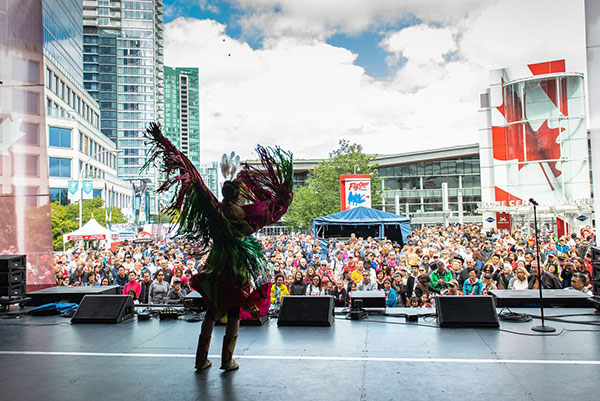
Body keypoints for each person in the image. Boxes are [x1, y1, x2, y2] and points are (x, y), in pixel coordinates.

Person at [143, 120, 295, 373]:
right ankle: (227, 359)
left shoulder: (215, 211)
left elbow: (192, 175)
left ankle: (201, 359)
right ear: (238, 194)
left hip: (216, 264)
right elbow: (274, 208)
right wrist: (285, 190)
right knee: (234, 310)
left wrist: (164, 142)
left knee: (212, 311)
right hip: (236, 268)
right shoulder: (246, 216)